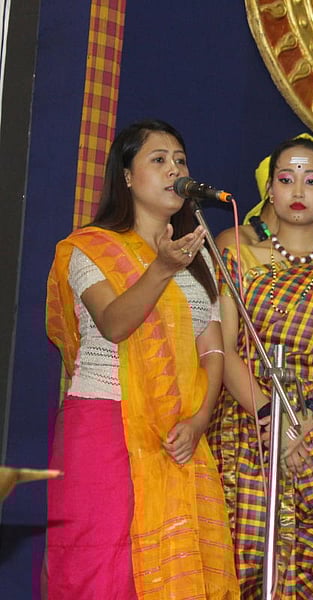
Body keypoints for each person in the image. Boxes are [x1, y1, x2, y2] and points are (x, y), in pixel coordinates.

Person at [45, 119, 239, 598]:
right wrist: (160, 269)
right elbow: (114, 324)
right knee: (102, 560)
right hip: (105, 423)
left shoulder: (200, 256)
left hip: (176, 432)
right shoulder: (87, 249)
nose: (174, 168)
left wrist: (199, 419)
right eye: (159, 159)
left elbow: (212, 348)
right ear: (127, 176)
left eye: (180, 160)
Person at [207, 135, 313, 598]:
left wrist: (301, 424)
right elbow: (228, 346)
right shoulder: (237, 256)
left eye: (312, 179)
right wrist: (270, 419)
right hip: (250, 422)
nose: (298, 189)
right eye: (286, 178)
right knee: (244, 560)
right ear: (271, 192)